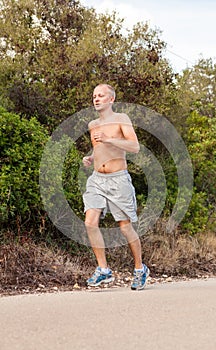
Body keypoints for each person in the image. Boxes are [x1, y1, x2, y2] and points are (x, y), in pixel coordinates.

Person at [82, 83, 149, 290]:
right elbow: (101, 149)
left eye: (101, 95)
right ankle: (103, 270)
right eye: (94, 96)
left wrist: (110, 138)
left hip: (118, 179)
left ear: (111, 99)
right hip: (96, 179)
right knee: (90, 222)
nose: (96, 98)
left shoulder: (121, 119)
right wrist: (91, 157)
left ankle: (139, 269)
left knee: (125, 227)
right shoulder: (93, 124)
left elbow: (134, 147)